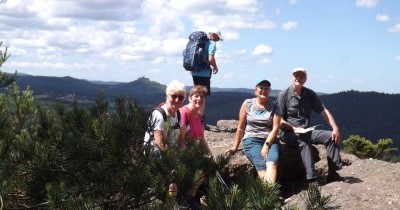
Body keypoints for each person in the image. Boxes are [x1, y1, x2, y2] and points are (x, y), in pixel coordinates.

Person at [276, 67, 343, 184]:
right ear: (292, 77)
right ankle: (311, 179)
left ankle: (333, 173)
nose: (298, 78)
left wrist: (335, 128)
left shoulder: (309, 94)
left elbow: (324, 111)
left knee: (330, 137)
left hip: (306, 130)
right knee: (304, 141)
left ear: (305, 79)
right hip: (288, 132)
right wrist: (294, 129)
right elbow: (279, 120)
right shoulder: (284, 95)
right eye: (296, 75)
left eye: (301, 76)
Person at [225, 80, 281, 183]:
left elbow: (275, 128)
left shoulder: (275, 106)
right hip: (252, 139)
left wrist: (266, 145)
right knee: (261, 165)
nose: (264, 90)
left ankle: (269, 195)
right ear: (255, 91)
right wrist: (234, 147)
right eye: (261, 88)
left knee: (272, 163)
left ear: (269, 91)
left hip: (271, 140)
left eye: (266, 88)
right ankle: (269, 195)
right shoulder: (248, 104)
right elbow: (241, 127)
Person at [144, 80, 186, 155]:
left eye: (180, 98)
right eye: (174, 96)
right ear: (167, 95)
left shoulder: (178, 115)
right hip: (154, 156)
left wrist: (184, 154)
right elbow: (159, 143)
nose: (177, 100)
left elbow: (181, 139)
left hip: (170, 153)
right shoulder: (159, 114)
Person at [179, 85, 211, 153]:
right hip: (185, 155)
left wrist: (209, 153)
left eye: (202, 97)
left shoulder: (199, 116)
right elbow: (181, 140)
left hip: (195, 154)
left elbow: (202, 138)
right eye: (196, 96)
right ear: (190, 98)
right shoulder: (184, 113)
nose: (199, 99)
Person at [191, 31, 223, 96]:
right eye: (218, 38)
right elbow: (210, 59)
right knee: (203, 96)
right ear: (214, 35)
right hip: (204, 74)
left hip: (195, 72)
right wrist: (215, 67)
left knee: (197, 95)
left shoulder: (201, 42)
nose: (218, 40)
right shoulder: (212, 43)